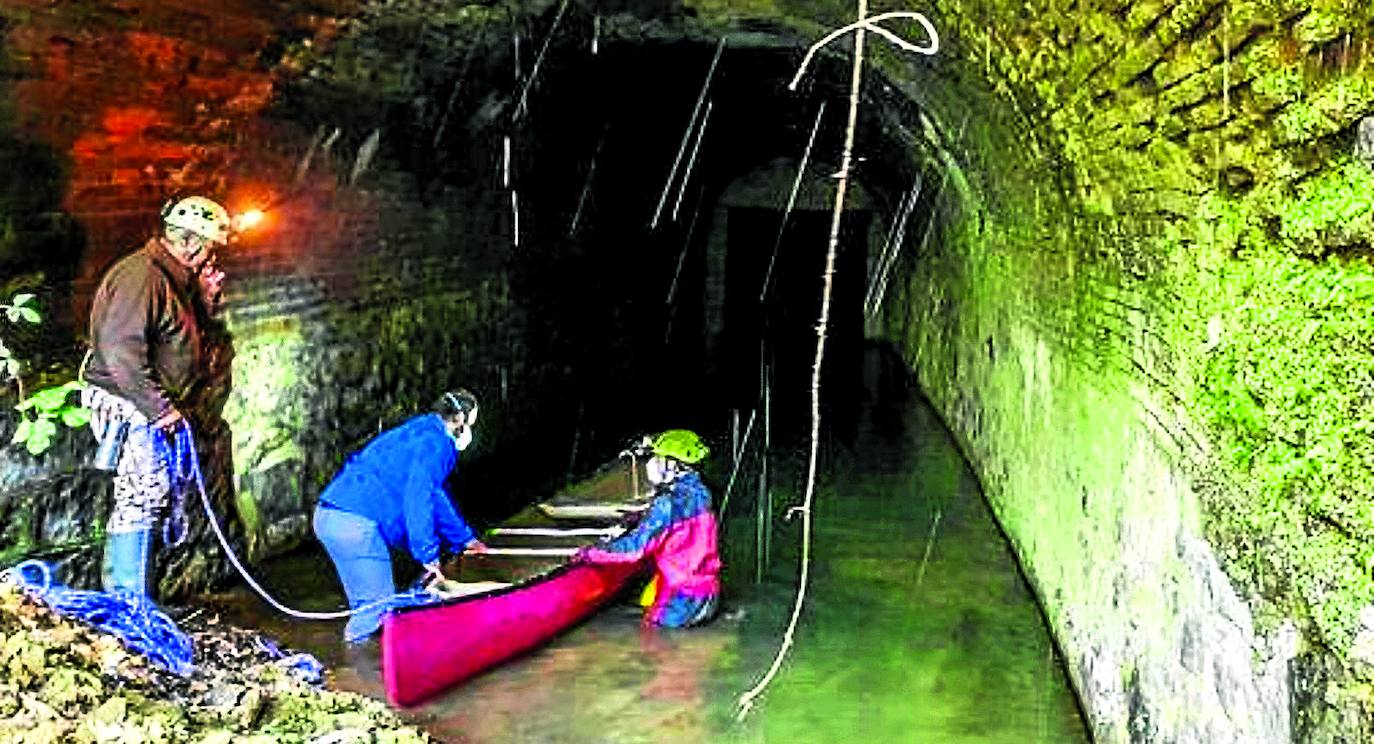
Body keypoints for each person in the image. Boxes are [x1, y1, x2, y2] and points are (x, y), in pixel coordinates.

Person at [82, 195, 232, 597]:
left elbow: (174, 336)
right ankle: (128, 605)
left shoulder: (172, 280)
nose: (210, 257)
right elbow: (119, 350)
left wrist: (204, 298)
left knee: (151, 494)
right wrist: (159, 408)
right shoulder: (141, 277)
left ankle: (136, 599)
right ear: (190, 243)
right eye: (208, 249)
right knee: (140, 496)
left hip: (146, 403)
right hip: (128, 404)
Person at [313, 389, 489, 642]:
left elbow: (435, 494)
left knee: (372, 603)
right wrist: (428, 555)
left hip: (332, 515)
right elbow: (418, 499)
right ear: (460, 420)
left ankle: (361, 663)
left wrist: (464, 539)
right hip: (355, 524)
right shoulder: (437, 445)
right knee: (375, 610)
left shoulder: (421, 430)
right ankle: (356, 670)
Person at [576, 429, 721, 628]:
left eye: (658, 457)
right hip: (708, 594)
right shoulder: (703, 493)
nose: (653, 463)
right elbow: (683, 531)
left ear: (674, 465)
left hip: (680, 599)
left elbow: (636, 550)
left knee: (653, 645)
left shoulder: (667, 504)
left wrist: (592, 553)